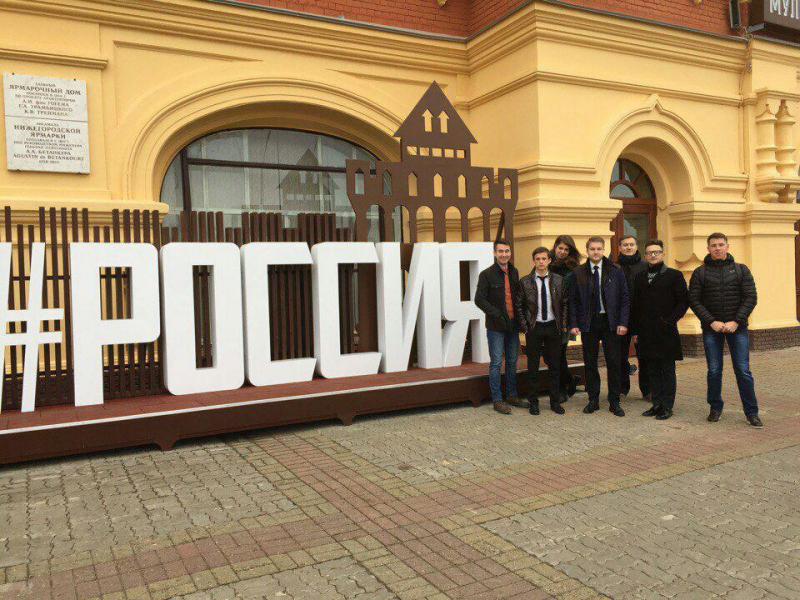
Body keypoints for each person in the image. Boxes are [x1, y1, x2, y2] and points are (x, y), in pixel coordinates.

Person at [688, 233, 761, 427]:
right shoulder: (700, 272)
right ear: (708, 248)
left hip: (738, 328)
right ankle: (715, 408)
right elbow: (694, 300)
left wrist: (736, 321)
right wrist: (711, 321)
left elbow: (751, 297)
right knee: (714, 370)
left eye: (721, 245)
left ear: (728, 246)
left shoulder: (740, 270)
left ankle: (751, 412)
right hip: (712, 329)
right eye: (713, 245)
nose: (717, 248)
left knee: (743, 370)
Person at [569, 236, 629, 417]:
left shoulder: (615, 270)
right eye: (592, 249)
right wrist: (574, 323)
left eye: (599, 249)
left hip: (611, 323)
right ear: (587, 250)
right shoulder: (578, 272)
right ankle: (593, 400)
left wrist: (623, 322)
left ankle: (614, 401)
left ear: (604, 250)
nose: (596, 252)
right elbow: (573, 301)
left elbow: (624, 298)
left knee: (614, 363)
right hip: (589, 323)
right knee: (590, 363)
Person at [630, 240, 688, 420]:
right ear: (645, 256)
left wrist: (669, 321)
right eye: (649, 252)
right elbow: (636, 305)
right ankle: (656, 404)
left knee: (667, 370)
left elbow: (683, 302)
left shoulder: (674, 275)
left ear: (663, 254)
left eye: (656, 252)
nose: (653, 255)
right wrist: (635, 330)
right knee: (651, 369)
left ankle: (667, 406)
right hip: (646, 332)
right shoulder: (640, 277)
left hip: (666, 331)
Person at [475, 238, 527, 414]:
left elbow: (517, 297)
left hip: (513, 324)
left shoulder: (514, 272)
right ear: (494, 253)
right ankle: (497, 400)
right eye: (500, 251)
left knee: (512, 361)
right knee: (496, 363)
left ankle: (511, 395)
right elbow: (479, 299)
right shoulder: (486, 274)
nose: (504, 254)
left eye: (507, 251)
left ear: (510, 252)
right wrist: (496, 314)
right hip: (496, 326)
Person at [516, 247, 568, 415]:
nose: (541, 262)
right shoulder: (525, 281)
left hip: (553, 327)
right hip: (534, 327)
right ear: (534, 261)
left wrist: (563, 324)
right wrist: (525, 326)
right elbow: (519, 306)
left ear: (549, 260)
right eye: (537, 259)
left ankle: (554, 401)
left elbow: (565, 303)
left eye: (544, 259)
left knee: (554, 366)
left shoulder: (559, 280)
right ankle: (534, 402)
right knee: (533, 366)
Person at [615, 235, 650, 403]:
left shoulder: (646, 267)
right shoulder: (614, 267)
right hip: (620, 319)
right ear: (619, 248)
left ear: (636, 247)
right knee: (621, 356)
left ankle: (647, 390)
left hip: (642, 319)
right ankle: (622, 389)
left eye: (631, 244)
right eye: (625, 245)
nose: (628, 247)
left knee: (644, 356)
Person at [549, 235, 581, 403]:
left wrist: (574, 321)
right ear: (555, 247)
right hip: (545, 317)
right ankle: (570, 380)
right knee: (551, 355)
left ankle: (561, 389)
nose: (562, 252)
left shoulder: (574, 270)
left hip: (564, 318)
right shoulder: (545, 262)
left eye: (566, 249)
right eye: (560, 248)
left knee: (559, 353)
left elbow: (576, 296)